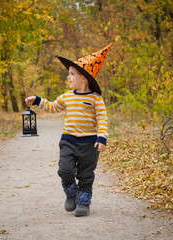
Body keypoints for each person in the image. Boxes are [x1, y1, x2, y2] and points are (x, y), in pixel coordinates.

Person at [25, 43, 113, 217]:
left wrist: (102, 138)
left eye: (72, 74)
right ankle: (71, 192)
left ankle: (83, 202)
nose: (68, 77)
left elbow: (102, 119)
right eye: (68, 74)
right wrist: (37, 100)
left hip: (89, 144)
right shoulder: (67, 96)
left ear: (84, 78)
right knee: (65, 170)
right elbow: (52, 107)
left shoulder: (95, 99)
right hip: (69, 141)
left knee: (86, 175)